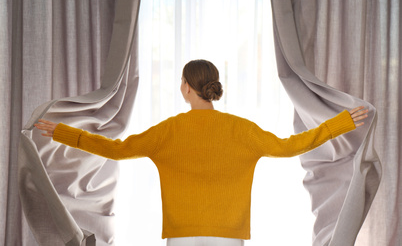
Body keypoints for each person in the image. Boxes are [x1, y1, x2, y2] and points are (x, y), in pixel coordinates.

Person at [35, 59, 368, 246]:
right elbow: (291, 146)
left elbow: (116, 150)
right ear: (211, 86)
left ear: (185, 86)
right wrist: (339, 123)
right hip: (229, 236)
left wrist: (65, 133)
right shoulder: (242, 129)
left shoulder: (168, 130)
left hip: (181, 236)